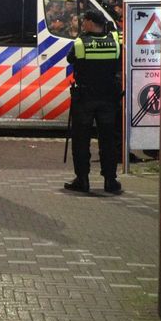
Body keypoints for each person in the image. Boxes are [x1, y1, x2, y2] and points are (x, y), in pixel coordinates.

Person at [65, 10, 123, 195]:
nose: (83, 25)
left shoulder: (81, 43)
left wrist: (83, 36)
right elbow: (117, 63)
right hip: (108, 99)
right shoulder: (114, 42)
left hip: (85, 99)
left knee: (81, 141)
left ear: (90, 23)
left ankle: (82, 180)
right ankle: (110, 180)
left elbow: (70, 59)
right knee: (108, 141)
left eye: (85, 22)